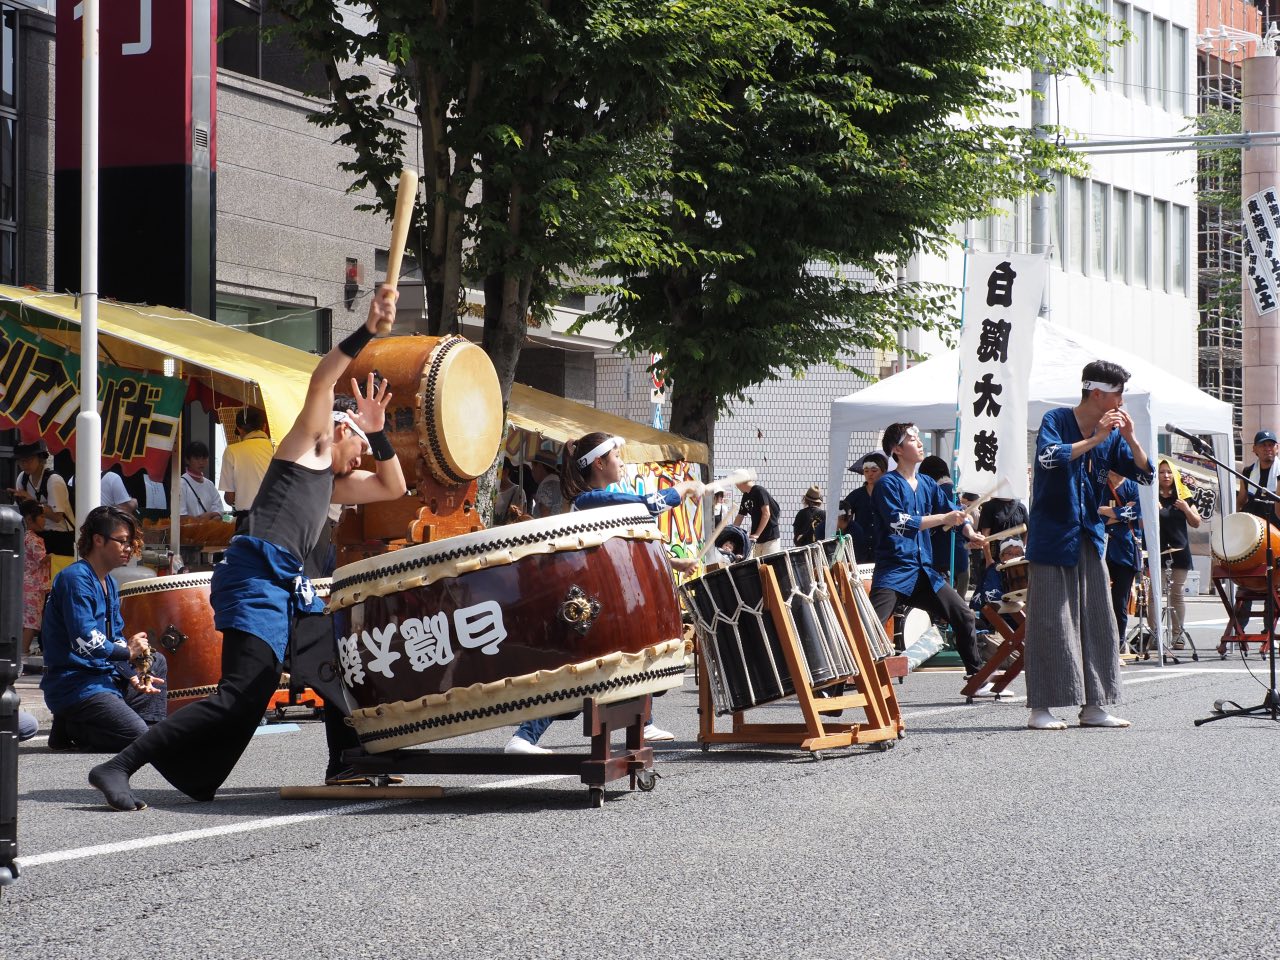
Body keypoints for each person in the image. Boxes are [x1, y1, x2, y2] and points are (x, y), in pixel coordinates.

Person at [88, 287, 406, 811]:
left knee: (299, 679)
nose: (364, 457)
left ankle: (342, 762)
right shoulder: (309, 445)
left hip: (285, 588)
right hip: (257, 575)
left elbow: (393, 487)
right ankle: (119, 764)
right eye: (361, 445)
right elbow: (324, 379)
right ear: (339, 428)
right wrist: (368, 331)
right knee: (240, 692)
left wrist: (381, 433)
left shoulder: (332, 483)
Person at [504, 432, 702, 755]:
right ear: (599, 463)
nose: (621, 463)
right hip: (582, 606)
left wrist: (676, 561)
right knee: (574, 676)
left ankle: (645, 720)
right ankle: (524, 738)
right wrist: (687, 487)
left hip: (594, 603)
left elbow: (626, 545)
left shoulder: (598, 499)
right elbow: (650, 505)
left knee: (635, 650)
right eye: (616, 458)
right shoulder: (589, 500)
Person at [1023, 360, 1151, 731]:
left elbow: (1143, 473)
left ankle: (1095, 705)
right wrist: (1094, 439)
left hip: (1091, 535)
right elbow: (1048, 457)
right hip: (1051, 535)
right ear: (1097, 393)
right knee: (1050, 619)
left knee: (1098, 618)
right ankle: (1041, 708)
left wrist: (1129, 438)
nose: (1122, 400)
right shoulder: (1056, 419)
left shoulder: (1113, 434)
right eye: (1117, 393)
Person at [868, 423, 988, 686]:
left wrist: (969, 532)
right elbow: (899, 523)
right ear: (897, 450)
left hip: (924, 571)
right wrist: (944, 518)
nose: (919, 442)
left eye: (919, 437)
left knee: (963, 614)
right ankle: (837, 687)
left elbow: (954, 509)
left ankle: (976, 678)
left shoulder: (926, 483)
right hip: (895, 569)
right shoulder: (886, 484)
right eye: (912, 439)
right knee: (871, 627)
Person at [39, 506, 166, 752]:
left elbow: (115, 637)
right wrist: (127, 653)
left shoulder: (108, 581)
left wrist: (132, 670)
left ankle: (145, 729)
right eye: (123, 542)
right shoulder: (75, 579)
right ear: (98, 540)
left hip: (103, 678)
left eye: (131, 542)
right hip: (75, 684)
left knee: (154, 661)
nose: (129, 549)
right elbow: (86, 640)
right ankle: (72, 726)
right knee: (137, 736)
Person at [1152, 457, 1201, 648]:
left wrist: (1186, 508)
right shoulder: (1151, 495)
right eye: (1162, 472)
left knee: (1176, 593)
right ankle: (1155, 634)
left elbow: (1196, 522)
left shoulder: (1183, 495)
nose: (1166, 475)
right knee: (1153, 594)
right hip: (1156, 551)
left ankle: (1177, 635)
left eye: (1169, 471)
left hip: (1179, 550)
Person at [11, 440, 75, 563]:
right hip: (35, 534)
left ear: (40, 457)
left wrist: (32, 501)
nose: (24, 464)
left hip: (60, 536)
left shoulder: (54, 480)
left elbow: (57, 516)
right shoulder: (22, 478)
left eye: (29, 459)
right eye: (20, 461)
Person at [1099, 470, 1142, 644]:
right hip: (1101, 549)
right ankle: (1099, 640)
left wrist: (1107, 511)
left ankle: (1119, 641)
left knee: (1120, 600)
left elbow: (1136, 512)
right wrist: (1121, 513)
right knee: (1098, 597)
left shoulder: (1133, 486)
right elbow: (1094, 515)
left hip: (1126, 550)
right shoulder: (1100, 485)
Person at [919, 455, 970, 597]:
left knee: (943, 585)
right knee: (962, 578)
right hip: (959, 543)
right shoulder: (954, 489)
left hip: (941, 545)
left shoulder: (939, 489)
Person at [219, 407, 274, 520]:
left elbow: (229, 498)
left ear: (239, 429)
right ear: (264, 427)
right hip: (275, 518)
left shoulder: (231, 450)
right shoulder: (277, 448)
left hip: (246, 519)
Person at [838, 453, 886, 564]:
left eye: (874, 471)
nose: (870, 474)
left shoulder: (889, 495)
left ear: (883, 472)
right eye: (866, 471)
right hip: (859, 548)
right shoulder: (856, 495)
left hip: (883, 548)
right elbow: (842, 515)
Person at [19, 498, 49, 673]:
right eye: (42, 516)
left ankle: (21, 651)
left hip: (23, 583)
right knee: (32, 622)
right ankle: (23, 653)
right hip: (35, 586)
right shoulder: (35, 540)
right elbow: (42, 559)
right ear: (30, 519)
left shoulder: (21, 536)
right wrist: (54, 557)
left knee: (24, 620)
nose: (44, 520)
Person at [1237, 428, 1279, 523]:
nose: (1267, 448)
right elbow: (1240, 501)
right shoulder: (1248, 472)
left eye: (1271, 445)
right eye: (1263, 445)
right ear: (1254, 449)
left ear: (1277, 448)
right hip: (1253, 528)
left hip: (1276, 529)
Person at [178, 441, 228, 520]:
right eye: (197, 458)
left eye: (204, 458)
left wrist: (210, 517)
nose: (201, 462)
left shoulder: (209, 484)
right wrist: (204, 519)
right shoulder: (180, 484)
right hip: (188, 531)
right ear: (187, 460)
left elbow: (219, 511)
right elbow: (180, 517)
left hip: (209, 530)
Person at [734, 477, 781, 557]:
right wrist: (732, 531)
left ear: (739, 482)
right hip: (756, 539)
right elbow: (740, 516)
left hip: (770, 537)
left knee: (769, 565)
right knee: (757, 566)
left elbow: (766, 513)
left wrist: (757, 534)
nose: (736, 486)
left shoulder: (759, 491)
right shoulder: (746, 495)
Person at [530, 448, 567, 517]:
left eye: (533, 466)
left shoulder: (545, 486)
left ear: (539, 466)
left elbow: (544, 516)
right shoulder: (561, 485)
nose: (532, 471)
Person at [494, 459, 528, 525]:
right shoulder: (492, 491)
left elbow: (519, 516)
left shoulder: (517, 491)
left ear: (506, 471)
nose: (494, 475)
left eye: (497, 472)